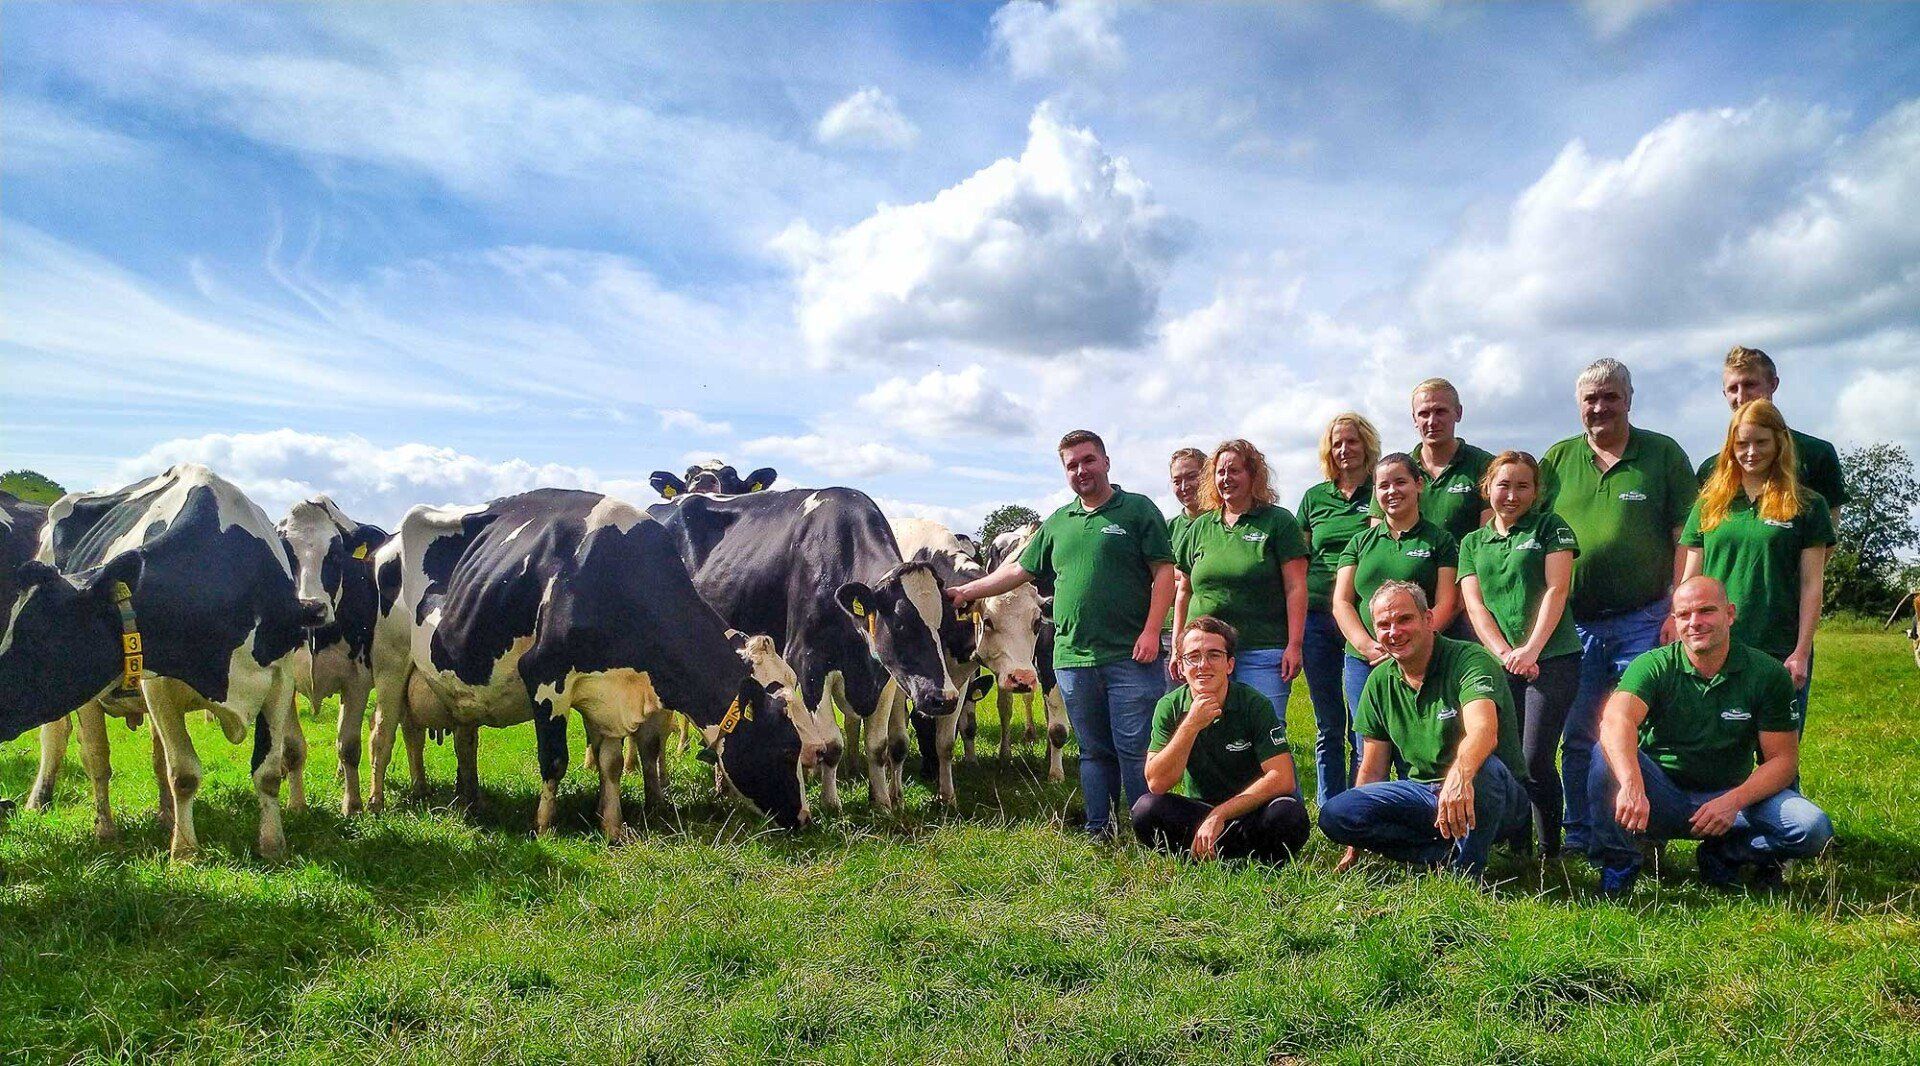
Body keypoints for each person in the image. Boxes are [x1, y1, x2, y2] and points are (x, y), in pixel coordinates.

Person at [949, 430, 1174, 838]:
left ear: (1105, 462)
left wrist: (1152, 631)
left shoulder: (1138, 511)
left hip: (1131, 654)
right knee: (1092, 751)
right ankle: (1100, 827)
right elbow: (1018, 572)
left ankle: (1150, 832)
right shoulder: (1059, 521)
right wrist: (968, 590)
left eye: (1088, 460)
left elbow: (1164, 573)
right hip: (1072, 658)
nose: (1080, 470)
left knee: (1135, 749)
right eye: (1071, 465)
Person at [1587, 576, 1833, 895]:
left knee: (1813, 829)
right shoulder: (1652, 666)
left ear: (1730, 614)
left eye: (1706, 611)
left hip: (1732, 801)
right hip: (1661, 796)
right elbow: (1616, 719)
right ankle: (1622, 861)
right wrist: (1633, 786)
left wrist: (1732, 802)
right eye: (1685, 615)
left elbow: (1783, 761)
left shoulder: (1767, 674)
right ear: (1674, 621)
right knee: (1603, 753)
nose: (1695, 623)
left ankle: (1725, 854)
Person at [1539, 358, 1697, 853]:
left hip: (1645, 617)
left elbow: (1687, 538)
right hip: (1576, 624)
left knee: (1642, 728)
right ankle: (1580, 831)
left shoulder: (1663, 454)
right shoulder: (1557, 461)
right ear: (1578, 405)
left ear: (1630, 399)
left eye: (1611, 397)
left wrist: (1677, 606)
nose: (1600, 407)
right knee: (1580, 733)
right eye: (1591, 399)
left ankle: (1640, 829)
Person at [1318, 581, 1530, 879]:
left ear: (1428, 619)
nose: (1394, 632)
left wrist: (1458, 776)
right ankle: (1439, 855)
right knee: (1336, 814)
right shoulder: (1379, 681)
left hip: (1493, 793)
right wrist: (1355, 846)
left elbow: (1484, 731)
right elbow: (1373, 768)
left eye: (1404, 619)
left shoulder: (1470, 660)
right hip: (1423, 794)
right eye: (1384, 624)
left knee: (1483, 769)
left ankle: (1466, 875)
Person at [1458, 451, 1582, 856]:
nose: (1512, 495)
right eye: (1503, 485)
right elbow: (1475, 605)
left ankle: (1550, 849)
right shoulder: (1473, 542)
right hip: (1499, 663)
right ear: (1488, 488)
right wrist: (1504, 652)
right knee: (1506, 757)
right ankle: (1517, 847)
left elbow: (1556, 589)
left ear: (1536, 491)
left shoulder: (1551, 528)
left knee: (1535, 758)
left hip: (1553, 658)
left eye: (1522, 486)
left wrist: (1530, 650)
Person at [1681, 400, 1833, 722]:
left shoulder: (1808, 505)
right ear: (1730, 447)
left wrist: (1801, 652)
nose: (1751, 452)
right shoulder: (1709, 505)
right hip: (1717, 647)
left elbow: (1811, 586)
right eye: (1742, 444)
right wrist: (1687, 643)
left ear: (1780, 442)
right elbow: (1690, 583)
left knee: (1778, 760)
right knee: (1714, 757)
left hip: (1779, 648)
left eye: (1761, 442)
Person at [1133, 616, 1311, 865]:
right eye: (1193, 657)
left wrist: (1221, 814)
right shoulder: (1170, 707)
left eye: (1214, 655)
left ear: (1229, 664)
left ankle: (1251, 859)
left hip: (1250, 812)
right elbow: (1157, 782)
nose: (1203, 665)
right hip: (1199, 813)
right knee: (1145, 810)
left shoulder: (1254, 704)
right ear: (1181, 667)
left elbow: (1282, 778)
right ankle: (1211, 853)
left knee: (1289, 814)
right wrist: (1191, 725)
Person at [1173, 439, 1309, 725]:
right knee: (1208, 731)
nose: (1226, 478)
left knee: (1265, 731)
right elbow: (1184, 589)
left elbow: (1296, 587)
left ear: (1253, 475)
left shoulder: (1278, 522)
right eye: (1220, 472)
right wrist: (1177, 647)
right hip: (1205, 654)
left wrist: (1294, 644)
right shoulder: (1201, 527)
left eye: (1234, 471)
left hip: (1262, 649)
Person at [1332, 452, 1460, 741]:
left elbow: (1448, 602)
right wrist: (1368, 647)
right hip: (1363, 660)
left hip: (1420, 660)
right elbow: (1341, 602)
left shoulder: (1441, 541)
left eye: (1400, 482)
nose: (1391, 491)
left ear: (1419, 484)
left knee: (1416, 744)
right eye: (1383, 485)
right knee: (1366, 745)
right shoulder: (1359, 542)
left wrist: (1411, 645)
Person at [1297, 413, 1380, 799]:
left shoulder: (1381, 490)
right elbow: (1299, 559)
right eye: (1337, 443)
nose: (1344, 449)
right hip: (1317, 617)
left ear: (1366, 444)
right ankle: (1329, 803)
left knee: (1361, 720)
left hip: (1362, 617)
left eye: (1352, 441)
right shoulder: (1315, 498)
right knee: (1328, 721)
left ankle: (1358, 799)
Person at [1696, 346, 1849, 524]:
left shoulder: (1816, 454)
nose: (1741, 396)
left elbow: (1829, 535)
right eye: (1733, 389)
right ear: (1724, 394)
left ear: (1773, 384)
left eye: (1749, 385)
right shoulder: (1711, 469)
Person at [1375, 378, 1495, 545]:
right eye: (1424, 414)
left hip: (1463, 568)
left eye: (1440, 411)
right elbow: (1377, 538)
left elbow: (1488, 539)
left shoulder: (1486, 466)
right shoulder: (1393, 472)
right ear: (1414, 419)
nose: (1432, 421)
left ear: (1458, 413)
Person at [1162, 447, 1207, 690]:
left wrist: (1178, 579)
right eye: (1177, 481)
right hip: (1171, 634)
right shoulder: (1165, 529)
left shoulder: (1221, 522)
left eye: (1192, 477)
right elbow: (1155, 583)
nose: (1185, 486)